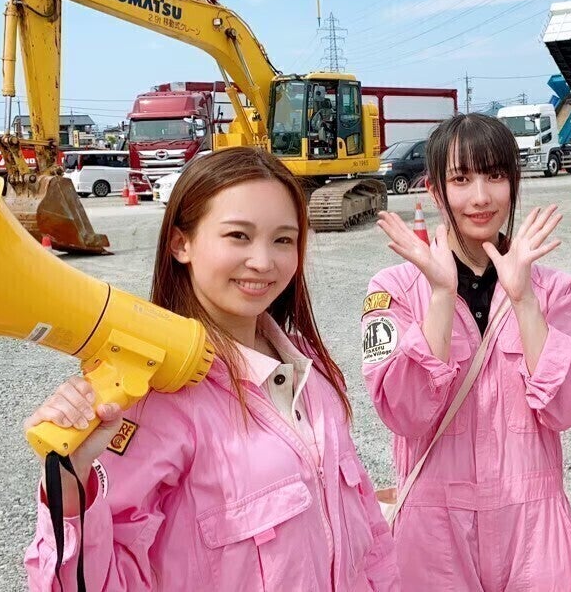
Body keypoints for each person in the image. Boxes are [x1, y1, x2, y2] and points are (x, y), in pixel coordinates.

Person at [23, 146, 400, 591]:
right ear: (181, 244)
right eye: (238, 235)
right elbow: (102, 579)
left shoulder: (308, 365)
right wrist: (72, 482)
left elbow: (365, 530)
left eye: (283, 239)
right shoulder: (154, 398)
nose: (264, 261)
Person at [364, 113, 571, 590]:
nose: (480, 197)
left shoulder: (555, 289)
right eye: (461, 179)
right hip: (434, 534)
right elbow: (403, 414)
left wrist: (525, 300)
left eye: (495, 176)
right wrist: (440, 296)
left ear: (513, 183)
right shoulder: (392, 290)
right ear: (435, 191)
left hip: (533, 530)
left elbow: (568, 408)